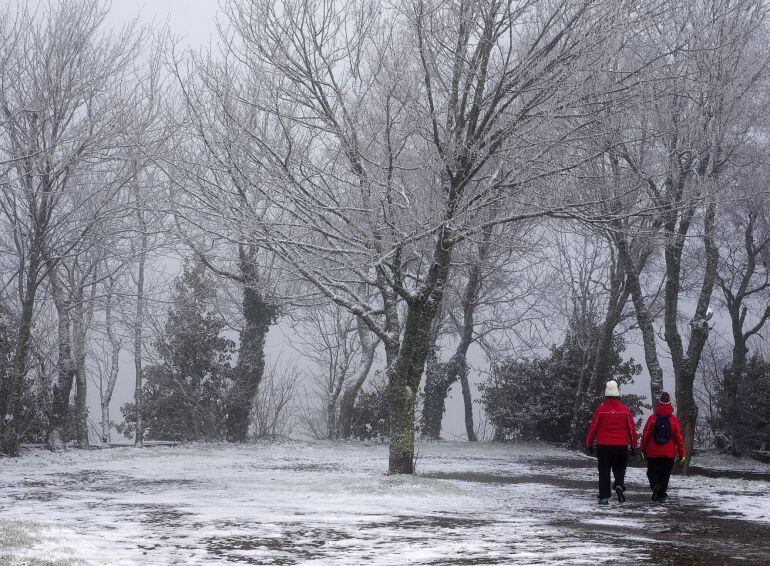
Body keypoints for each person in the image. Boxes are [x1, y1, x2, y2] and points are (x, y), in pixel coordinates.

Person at [586, 380, 638, 505]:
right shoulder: (625, 410)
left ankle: (604, 496)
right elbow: (631, 430)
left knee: (604, 471)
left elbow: (593, 428)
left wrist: (589, 444)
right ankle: (619, 484)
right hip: (621, 446)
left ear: (606, 395)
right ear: (618, 395)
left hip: (604, 446)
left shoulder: (601, 410)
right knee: (619, 469)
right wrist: (634, 445)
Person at [641, 391, 685, 502]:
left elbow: (645, 436)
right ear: (670, 403)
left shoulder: (652, 419)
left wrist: (642, 450)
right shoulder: (674, 420)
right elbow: (679, 438)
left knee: (651, 472)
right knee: (665, 474)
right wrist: (682, 454)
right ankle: (661, 495)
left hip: (653, 452)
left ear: (659, 402)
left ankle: (655, 485)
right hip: (669, 453)